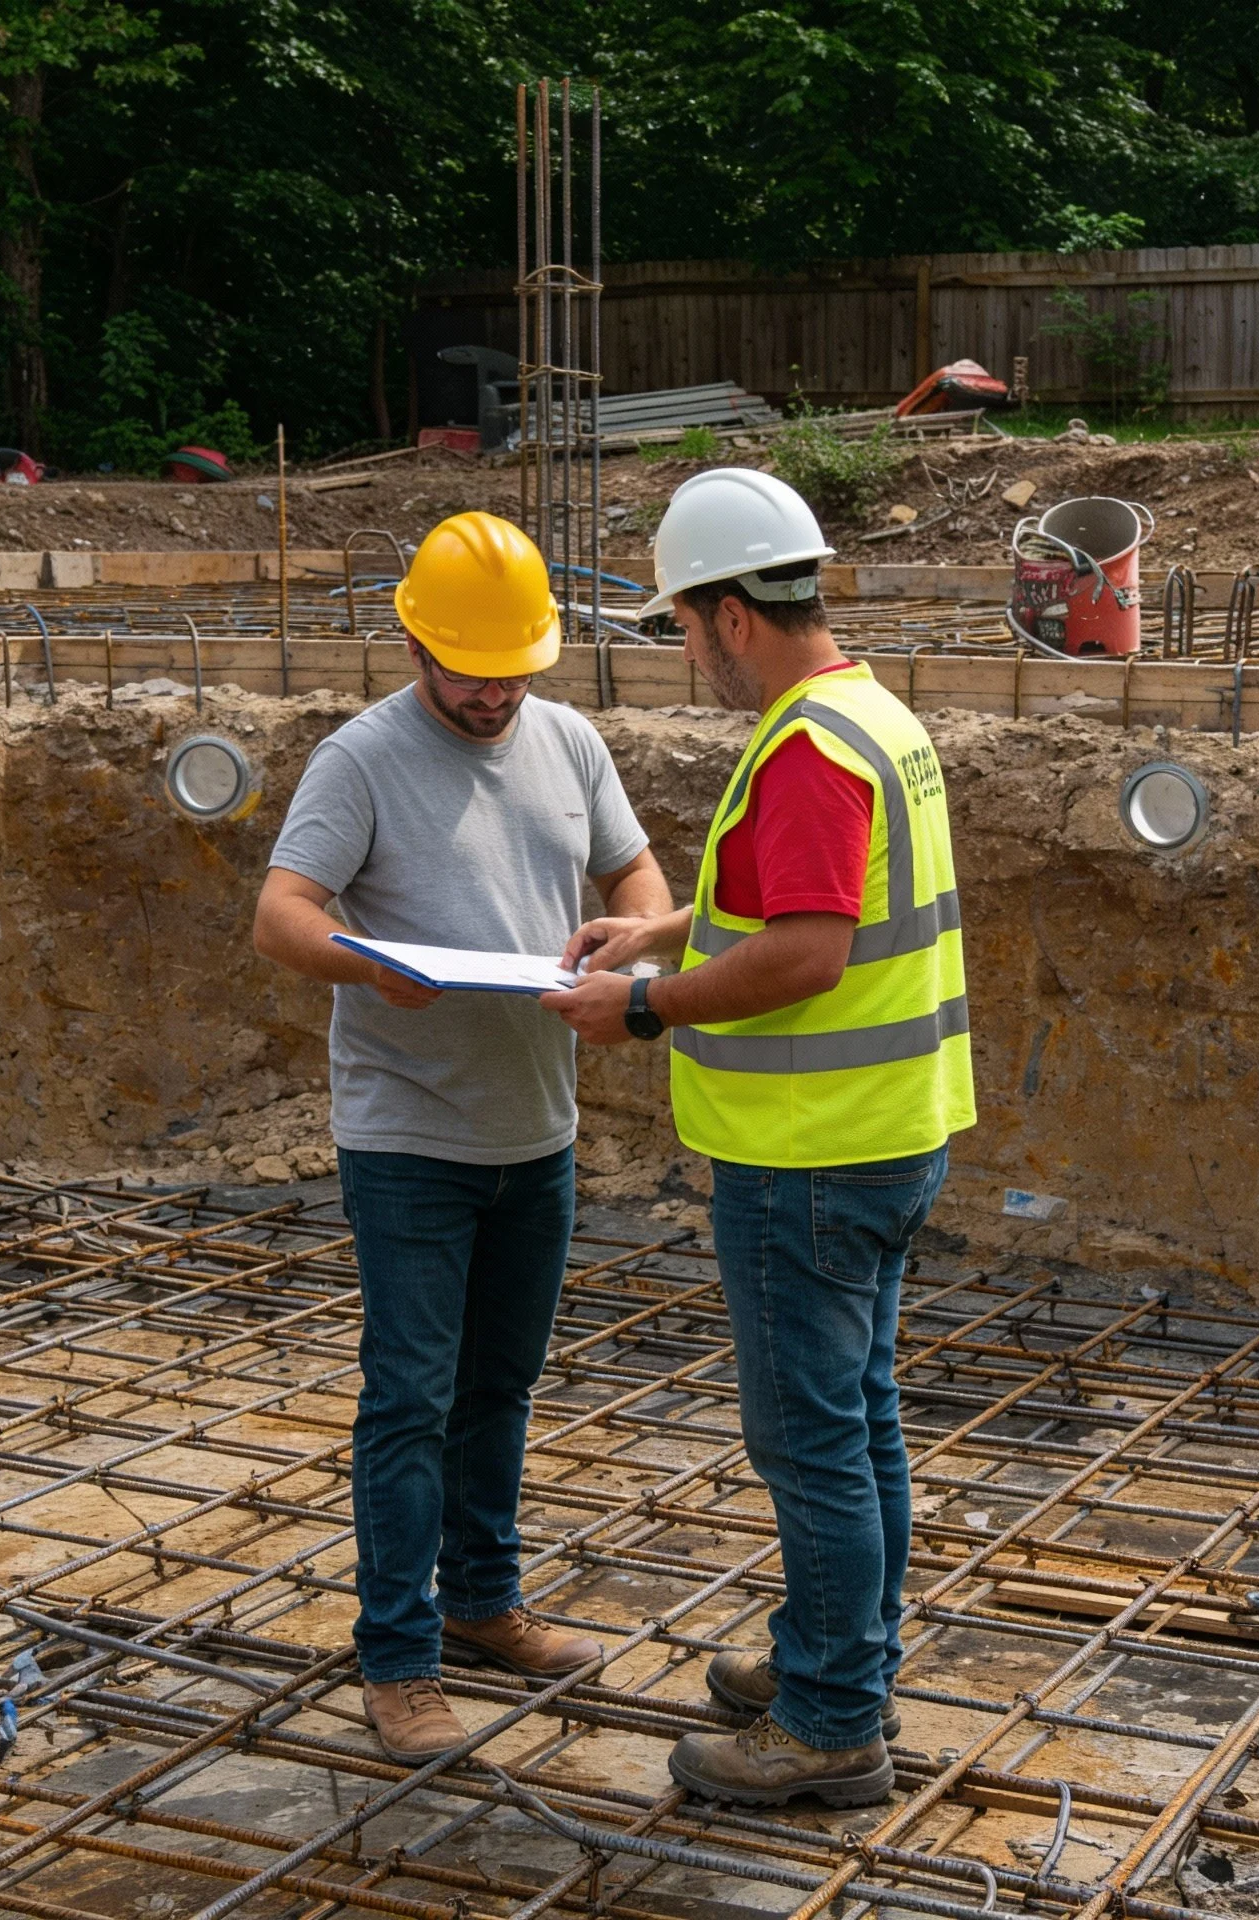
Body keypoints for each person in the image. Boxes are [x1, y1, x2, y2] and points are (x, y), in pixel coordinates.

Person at [542, 468, 975, 1809]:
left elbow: (807, 950)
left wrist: (644, 1007)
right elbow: (796, 893)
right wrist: (665, 926)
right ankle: (831, 1657)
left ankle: (836, 1720)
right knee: (861, 1420)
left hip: (812, 1156)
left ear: (735, 615)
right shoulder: (869, 714)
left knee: (811, 1443)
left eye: (682, 623)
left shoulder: (803, 748)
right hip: (889, 1131)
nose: (686, 650)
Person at [254, 510, 672, 1764]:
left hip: (535, 1128)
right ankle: (398, 1661)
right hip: (408, 1139)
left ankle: (484, 1602)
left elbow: (637, 878)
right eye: (473, 672)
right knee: (410, 1398)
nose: (496, 694)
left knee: (499, 1384)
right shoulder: (361, 760)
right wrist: (365, 969)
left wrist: (632, 937)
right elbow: (280, 914)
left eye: (517, 672)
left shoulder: (570, 742)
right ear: (418, 645)